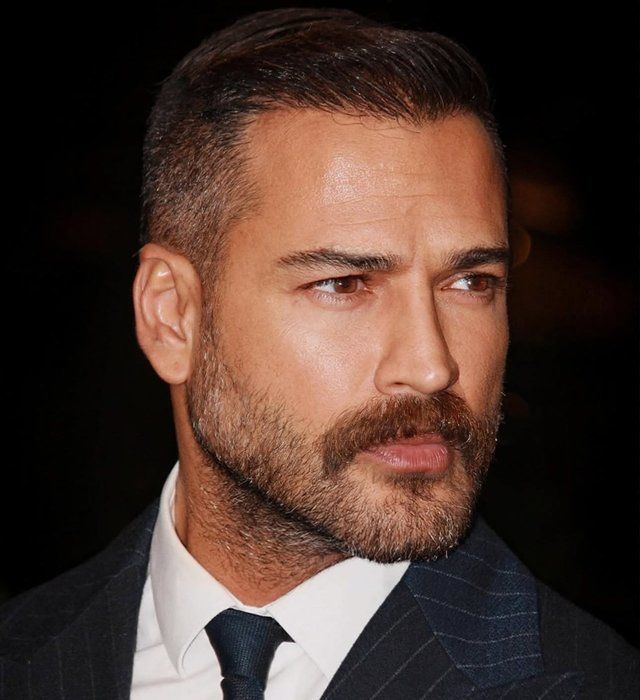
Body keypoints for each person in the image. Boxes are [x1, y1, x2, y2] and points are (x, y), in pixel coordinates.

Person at [1, 7, 638, 699]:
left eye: (470, 282)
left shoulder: (597, 682)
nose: (432, 366)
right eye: (343, 284)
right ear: (173, 316)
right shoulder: (24, 655)